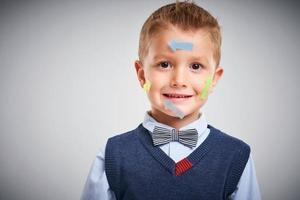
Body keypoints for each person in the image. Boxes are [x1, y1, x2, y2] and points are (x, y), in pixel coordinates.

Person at [81, 1, 261, 199]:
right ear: (142, 76)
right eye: (165, 64)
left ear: (214, 79)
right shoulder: (112, 155)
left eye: (195, 66)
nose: (179, 81)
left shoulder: (236, 156)